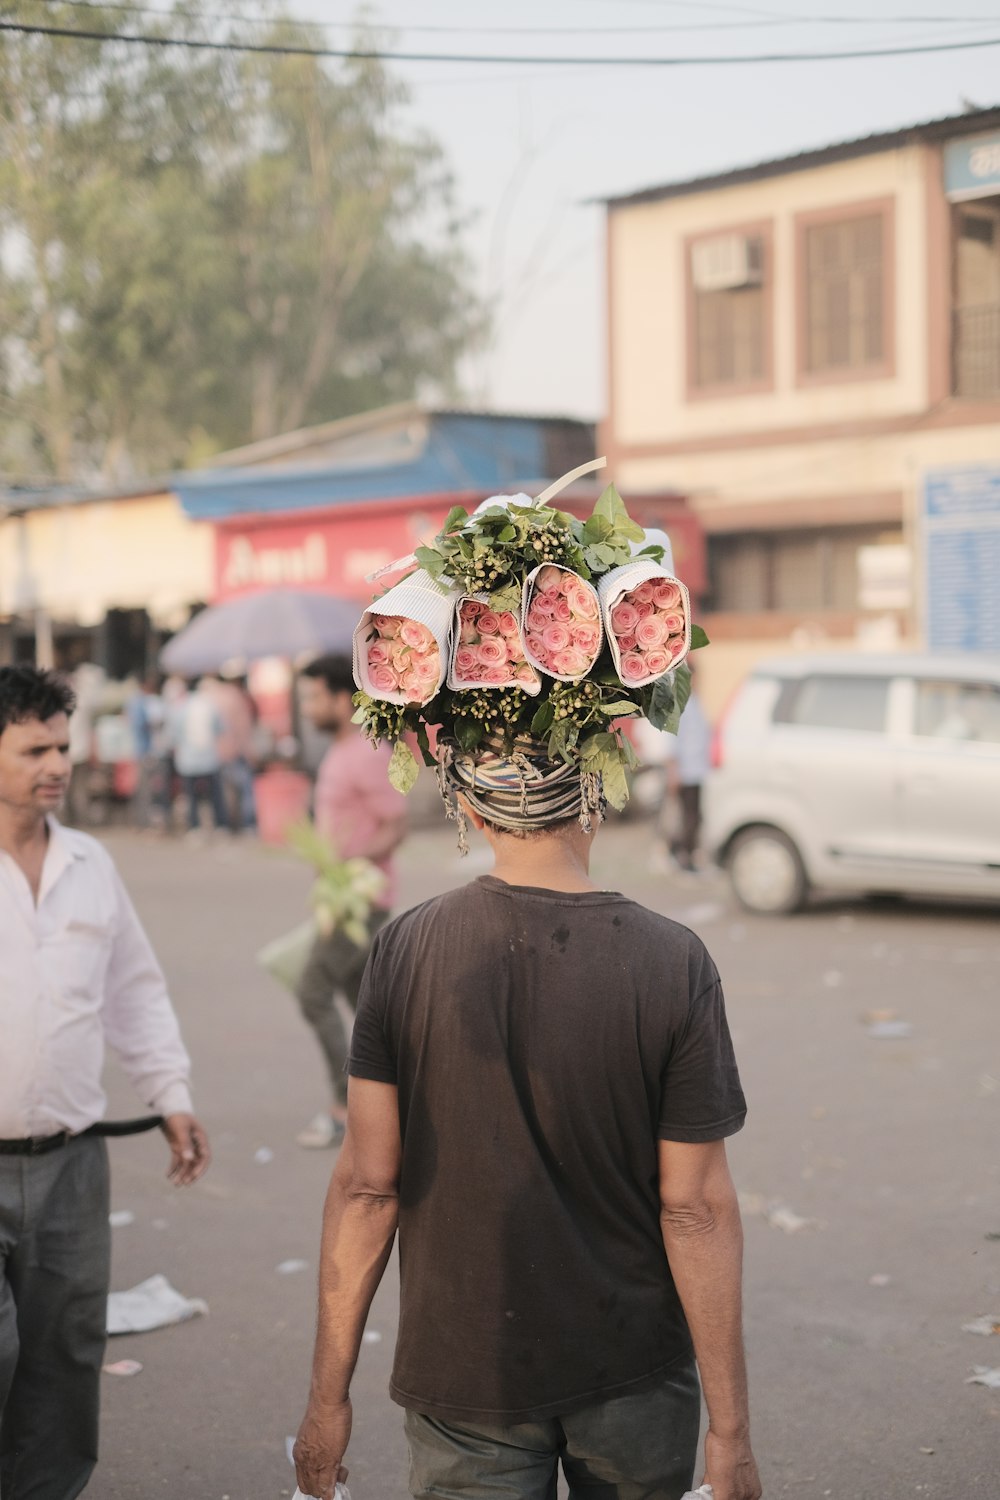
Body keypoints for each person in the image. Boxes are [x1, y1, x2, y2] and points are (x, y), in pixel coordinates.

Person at [293, 736, 760, 1500]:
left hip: (463, 1368)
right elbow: (696, 1207)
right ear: (597, 793)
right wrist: (732, 1434)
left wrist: (325, 1401)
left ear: (468, 809)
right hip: (632, 1368)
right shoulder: (673, 961)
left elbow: (367, 1190)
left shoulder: (405, 949)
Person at [0, 665, 210, 1500]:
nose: (57, 763)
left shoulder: (91, 864)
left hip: (73, 1164)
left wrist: (173, 1096)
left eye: (62, 746)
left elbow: (134, 992)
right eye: (34, 749)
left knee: (64, 1354)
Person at [293, 654, 408, 1150]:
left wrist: (347, 866)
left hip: (361, 903)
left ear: (343, 699)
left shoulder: (364, 752)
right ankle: (390, 1108)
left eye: (314, 697)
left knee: (313, 989)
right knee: (366, 1007)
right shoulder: (340, 751)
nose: (308, 707)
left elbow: (395, 824)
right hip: (342, 901)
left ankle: (345, 1108)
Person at [658, 672, 712, 875]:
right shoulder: (680, 704)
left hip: (697, 769)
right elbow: (672, 740)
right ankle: (682, 854)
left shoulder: (696, 701)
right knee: (686, 817)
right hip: (685, 770)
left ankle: (685, 852)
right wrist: (673, 771)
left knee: (695, 816)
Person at [170, 676, 228, 835]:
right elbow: (220, 729)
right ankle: (220, 825)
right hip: (209, 758)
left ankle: (194, 827)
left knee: (191, 796)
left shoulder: (180, 708)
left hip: (188, 760)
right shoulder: (209, 706)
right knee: (215, 794)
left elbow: (174, 734)